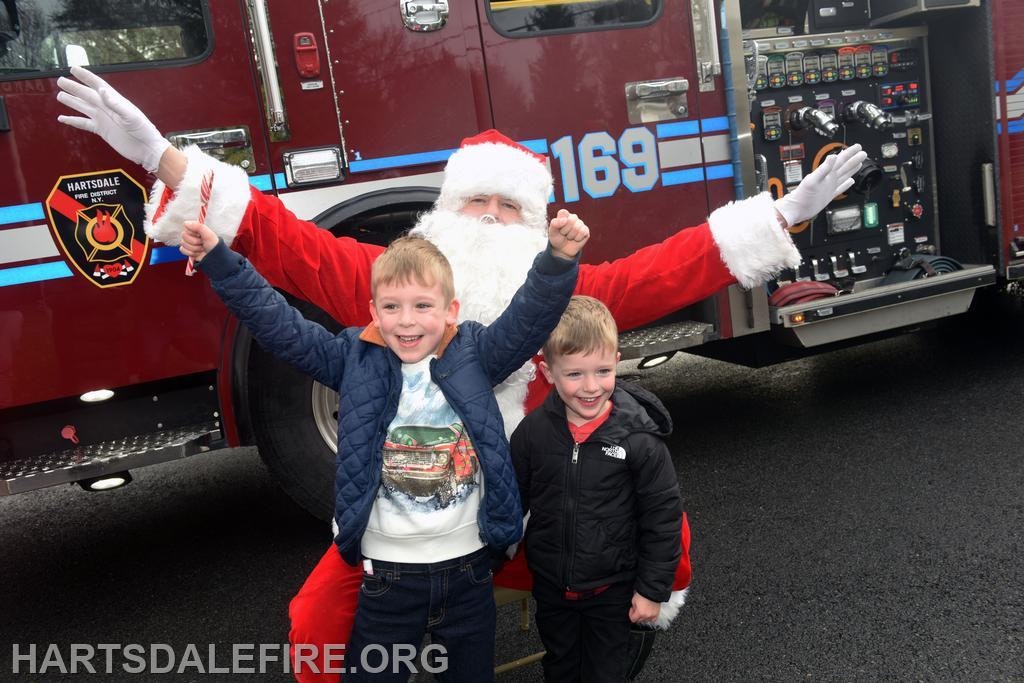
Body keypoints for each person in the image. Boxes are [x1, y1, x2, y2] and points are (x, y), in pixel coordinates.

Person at [56, 66, 866, 681]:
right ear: (443, 213)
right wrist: (162, 158)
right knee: (312, 623)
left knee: (654, 527)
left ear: (534, 220)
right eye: (476, 203)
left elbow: (671, 269)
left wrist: (783, 215)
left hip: (525, 515)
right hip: (402, 531)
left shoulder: (557, 290)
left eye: (507, 208)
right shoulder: (393, 286)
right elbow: (281, 243)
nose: (488, 220)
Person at [180, 213, 586, 681]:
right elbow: (278, 324)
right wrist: (220, 261)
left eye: (422, 306)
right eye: (391, 307)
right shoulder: (352, 358)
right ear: (372, 312)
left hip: (470, 572)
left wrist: (558, 259)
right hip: (387, 579)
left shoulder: (476, 355)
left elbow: (527, 319)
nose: (407, 321)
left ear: (451, 310)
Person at [511, 296, 681, 682]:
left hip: (613, 590)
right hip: (553, 589)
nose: (591, 387)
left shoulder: (639, 438)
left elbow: (663, 519)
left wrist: (652, 590)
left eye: (603, 371)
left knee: (606, 674)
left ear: (618, 360)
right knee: (561, 667)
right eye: (574, 374)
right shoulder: (532, 434)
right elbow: (511, 502)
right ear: (548, 372)